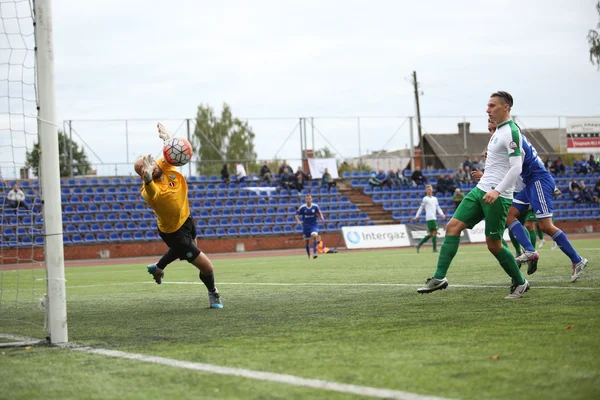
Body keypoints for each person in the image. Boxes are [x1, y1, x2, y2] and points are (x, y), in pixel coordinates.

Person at [417, 92, 529, 299]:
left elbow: (516, 168)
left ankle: (521, 282)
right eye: (487, 105)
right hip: (480, 190)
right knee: (452, 227)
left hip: (498, 196)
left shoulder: (511, 132)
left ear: (506, 107)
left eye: (492, 105)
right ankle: (439, 277)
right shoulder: (498, 131)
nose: (487, 109)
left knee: (494, 245)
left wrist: (497, 191)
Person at [135, 124, 222, 308]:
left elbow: (173, 152)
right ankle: (213, 294)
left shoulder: (163, 166)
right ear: (143, 174)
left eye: (150, 162)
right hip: (173, 231)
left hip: (187, 219)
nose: (151, 165)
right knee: (206, 267)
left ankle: (158, 268)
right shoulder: (148, 190)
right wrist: (148, 179)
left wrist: (169, 139)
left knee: (189, 253)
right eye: (145, 167)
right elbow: (152, 193)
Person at [501, 115, 589, 283]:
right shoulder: (520, 141)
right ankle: (529, 250)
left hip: (538, 182)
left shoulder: (516, 142)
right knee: (509, 215)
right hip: (530, 184)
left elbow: (514, 167)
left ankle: (577, 259)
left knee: (546, 226)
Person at [412, 184, 445, 253]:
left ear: (432, 190)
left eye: (430, 189)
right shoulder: (425, 199)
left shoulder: (435, 199)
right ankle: (434, 249)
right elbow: (421, 208)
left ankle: (419, 245)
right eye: (427, 190)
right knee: (435, 232)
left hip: (434, 217)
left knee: (431, 234)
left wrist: (442, 214)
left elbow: (437, 207)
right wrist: (416, 216)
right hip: (430, 217)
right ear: (426, 191)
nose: (429, 191)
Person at [295, 194, 325, 259]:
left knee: (314, 236)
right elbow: (296, 215)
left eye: (309, 199)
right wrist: (298, 221)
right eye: (307, 199)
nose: (308, 200)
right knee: (307, 242)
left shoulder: (315, 206)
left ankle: (315, 253)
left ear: (311, 199)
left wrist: (321, 217)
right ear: (305, 200)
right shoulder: (302, 207)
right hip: (306, 226)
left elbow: (319, 212)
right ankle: (309, 255)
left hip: (313, 225)